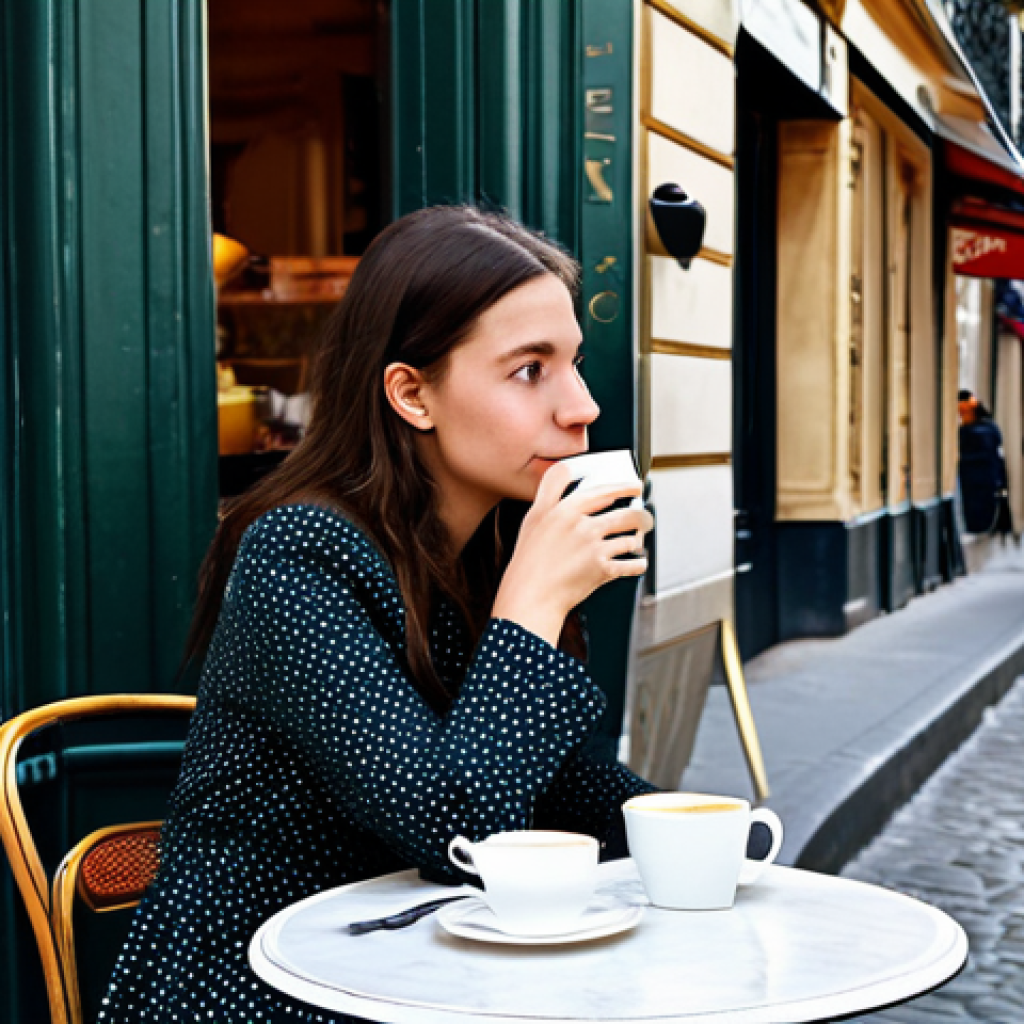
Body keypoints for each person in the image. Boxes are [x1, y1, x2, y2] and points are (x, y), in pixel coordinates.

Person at [98, 206, 657, 1024]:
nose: (582, 406)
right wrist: (535, 602)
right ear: (411, 394)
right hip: (255, 984)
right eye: (530, 370)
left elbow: (563, 789)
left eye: (573, 363)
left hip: (412, 970)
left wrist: (703, 842)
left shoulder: (484, 555)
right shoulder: (298, 554)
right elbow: (460, 836)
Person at [958, 389, 1013, 538]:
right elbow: (998, 455)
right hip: (987, 480)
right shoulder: (990, 428)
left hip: (974, 480)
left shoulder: (967, 432)